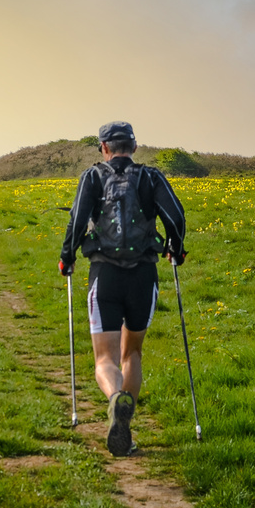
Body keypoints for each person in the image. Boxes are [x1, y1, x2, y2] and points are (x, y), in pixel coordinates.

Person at [58, 121, 186, 456]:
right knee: (133, 353)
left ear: (103, 147)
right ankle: (124, 426)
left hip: (105, 276)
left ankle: (115, 398)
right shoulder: (151, 176)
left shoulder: (92, 177)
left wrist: (66, 257)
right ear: (134, 146)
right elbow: (176, 216)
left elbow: (76, 221)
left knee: (105, 358)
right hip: (143, 276)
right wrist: (176, 247)